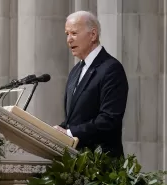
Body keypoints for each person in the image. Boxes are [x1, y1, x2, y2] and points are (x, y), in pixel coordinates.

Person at [53, 11, 129, 159]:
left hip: (102, 164)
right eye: (67, 34)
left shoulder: (111, 69)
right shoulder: (76, 71)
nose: (69, 39)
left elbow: (109, 119)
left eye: (74, 33)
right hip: (76, 162)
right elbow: (74, 119)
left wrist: (69, 133)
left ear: (93, 35)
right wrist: (57, 131)